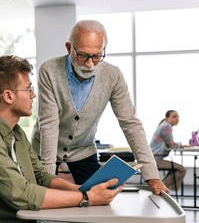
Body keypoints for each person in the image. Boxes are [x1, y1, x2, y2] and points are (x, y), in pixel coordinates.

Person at [0, 55, 131, 223]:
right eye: (29, 89)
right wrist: (87, 198)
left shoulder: (16, 132)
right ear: (8, 96)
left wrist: (81, 190)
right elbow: (21, 195)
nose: (33, 95)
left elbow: (41, 176)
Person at [31, 19, 167, 195]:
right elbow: (48, 125)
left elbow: (130, 123)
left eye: (96, 56)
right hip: (44, 150)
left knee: (99, 202)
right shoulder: (49, 70)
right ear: (68, 48)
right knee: (41, 204)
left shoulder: (113, 75)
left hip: (83, 150)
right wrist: (47, 180)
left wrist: (151, 175)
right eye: (83, 55)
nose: (89, 64)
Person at [150, 110, 187, 191]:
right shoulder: (166, 127)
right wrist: (180, 144)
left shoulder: (164, 126)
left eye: (178, 117)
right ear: (167, 118)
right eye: (174, 117)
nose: (177, 119)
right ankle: (161, 188)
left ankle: (161, 187)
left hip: (155, 158)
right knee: (181, 169)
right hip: (155, 159)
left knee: (176, 169)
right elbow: (171, 144)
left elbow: (169, 143)